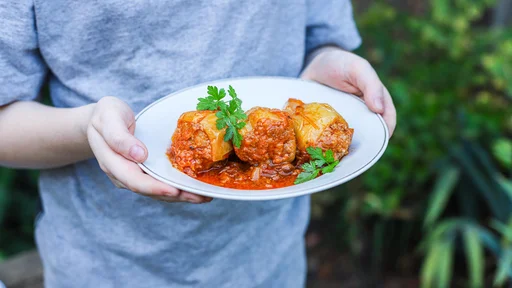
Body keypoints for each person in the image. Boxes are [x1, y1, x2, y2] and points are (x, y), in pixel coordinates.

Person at [0, 0, 396, 287]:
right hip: (105, 267)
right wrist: (86, 126)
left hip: (270, 258)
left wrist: (326, 65)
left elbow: (323, 40)